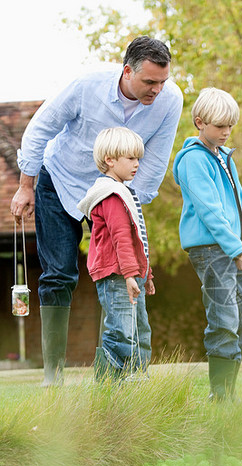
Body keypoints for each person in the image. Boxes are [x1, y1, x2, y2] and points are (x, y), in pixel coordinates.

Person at [10, 36, 183, 386]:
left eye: (162, 82)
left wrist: (129, 203)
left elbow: (156, 158)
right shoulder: (86, 87)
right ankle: (53, 374)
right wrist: (26, 185)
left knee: (120, 271)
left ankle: (117, 370)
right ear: (127, 71)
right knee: (59, 273)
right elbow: (40, 129)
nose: (157, 90)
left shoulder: (169, 100)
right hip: (59, 181)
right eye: (149, 82)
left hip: (112, 190)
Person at [173, 87, 242, 401]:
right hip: (211, 250)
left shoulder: (225, 158)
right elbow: (210, 211)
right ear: (200, 122)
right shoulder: (192, 161)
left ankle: (225, 393)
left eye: (230, 127)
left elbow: (239, 205)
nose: (226, 132)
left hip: (233, 248)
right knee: (224, 320)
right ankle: (222, 398)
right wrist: (235, 251)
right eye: (220, 126)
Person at [77, 127, 153, 381]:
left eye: (138, 158)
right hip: (117, 275)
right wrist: (132, 274)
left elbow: (137, 238)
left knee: (140, 330)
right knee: (121, 331)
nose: (137, 164)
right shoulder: (110, 195)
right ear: (110, 160)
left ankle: (137, 381)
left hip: (131, 274)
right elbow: (120, 237)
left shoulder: (125, 192)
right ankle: (109, 388)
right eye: (130, 158)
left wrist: (146, 273)